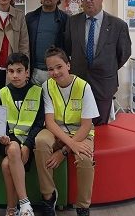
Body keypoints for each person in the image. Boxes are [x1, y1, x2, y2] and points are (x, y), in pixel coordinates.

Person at [34, 47, 99, 216]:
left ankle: (83, 206)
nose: (55, 72)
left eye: (59, 67)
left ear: (68, 65)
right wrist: (68, 145)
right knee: (40, 142)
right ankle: (48, 196)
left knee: (85, 157)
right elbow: (49, 122)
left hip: (81, 132)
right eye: (50, 69)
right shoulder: (47, 86)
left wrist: (63, 151)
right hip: (55, 131)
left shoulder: (84, 87)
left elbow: (86, 126)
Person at [64, 0, 132, 125]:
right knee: (78, 122)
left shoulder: (118, 25)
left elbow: (124, 53)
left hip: (104, 82)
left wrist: (108, 67)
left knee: (101, 124)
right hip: (79, 81)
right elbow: (67, 47)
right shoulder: (72, 22)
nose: (88, 0)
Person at [0, 53, 44, 216]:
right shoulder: (2, 92)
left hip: (30, 143)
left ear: (27, 72)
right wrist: (5, 138)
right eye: (11, 71)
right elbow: (0, 124)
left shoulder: (38, 92)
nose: (15, 75)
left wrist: (28, 145)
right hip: (8, 142)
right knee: (12, 148)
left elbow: (39, 123)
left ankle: (12, 208)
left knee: (5, 165)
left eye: (19, 71)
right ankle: (24, 203)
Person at [25, 0, 69, 86]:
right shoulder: (29, 18)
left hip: (56, 72)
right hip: (34, 71)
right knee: (35, 102)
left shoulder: (66, 19)